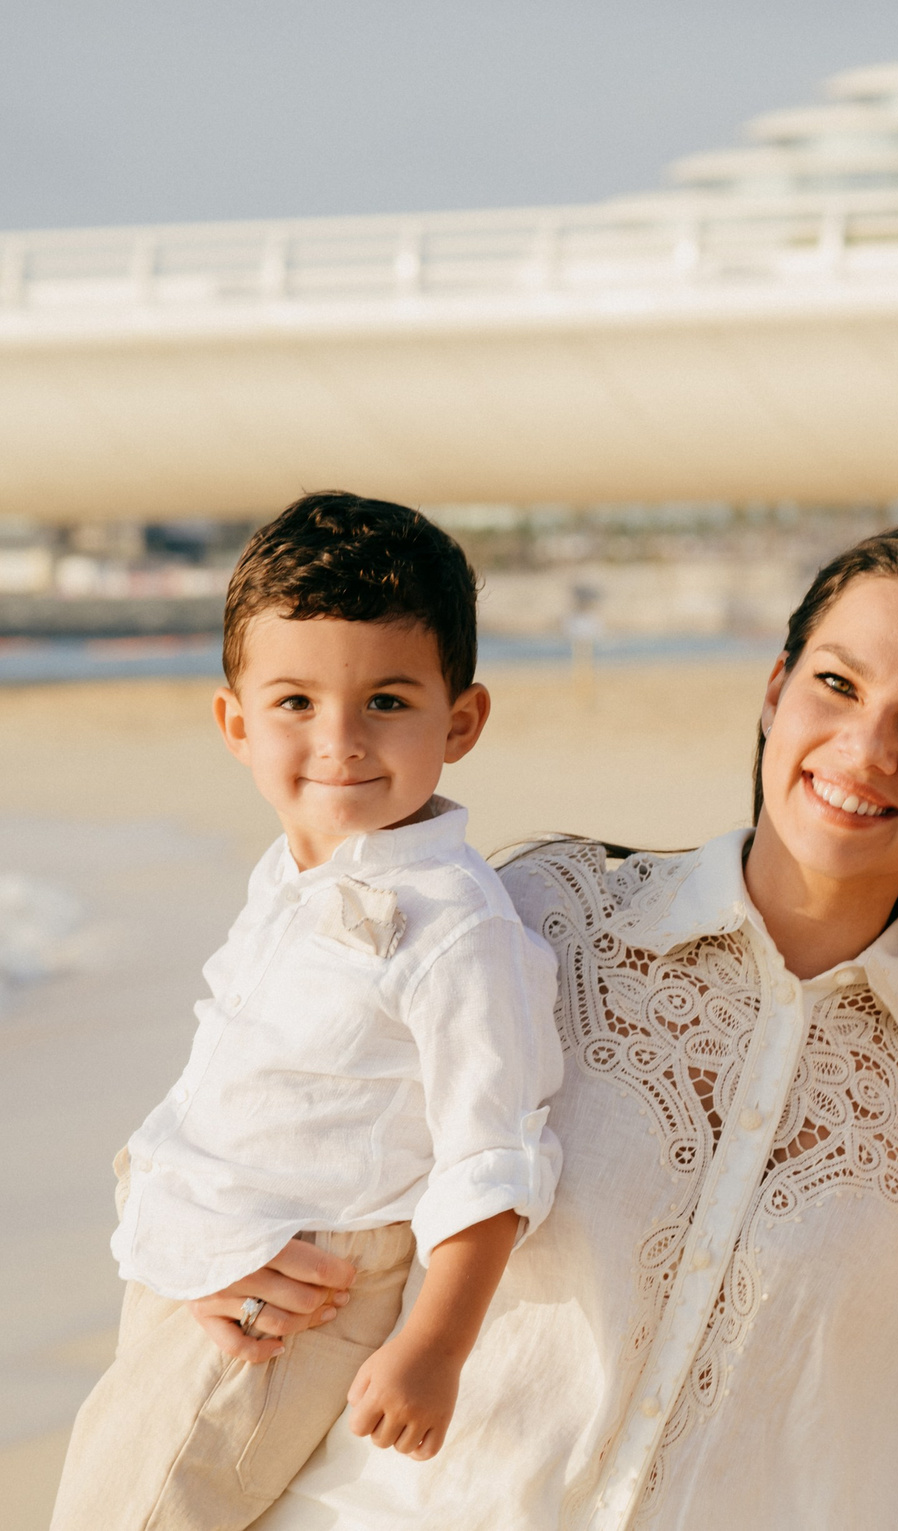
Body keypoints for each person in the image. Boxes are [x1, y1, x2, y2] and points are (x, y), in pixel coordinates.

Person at [253, 523, 898, 1531]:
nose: (867, 748)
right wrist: (215, 1253)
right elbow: (270, 1105)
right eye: (837, 687)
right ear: (775, 690)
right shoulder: (538, 925)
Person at [53, 492, 565, 1531]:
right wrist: (182, 1232)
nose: (339, 742)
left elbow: (495, 1155)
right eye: (295, 703)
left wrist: (433, 1348)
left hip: (290, 1302)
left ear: (459, 721)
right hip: (195, 1263)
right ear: (235, 724)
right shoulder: (287, 876)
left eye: (386, 701)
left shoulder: (454, 926)